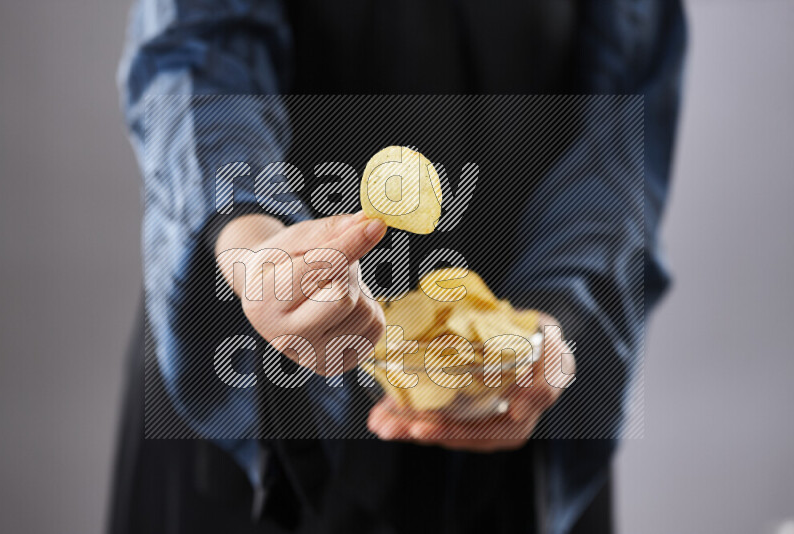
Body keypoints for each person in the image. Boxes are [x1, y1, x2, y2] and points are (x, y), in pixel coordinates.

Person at [109, 1, 686, 533]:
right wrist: (253, 239)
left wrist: (553, 318)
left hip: (508, 407)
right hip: (252, 372)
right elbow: (195, 51)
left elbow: (619, 123)